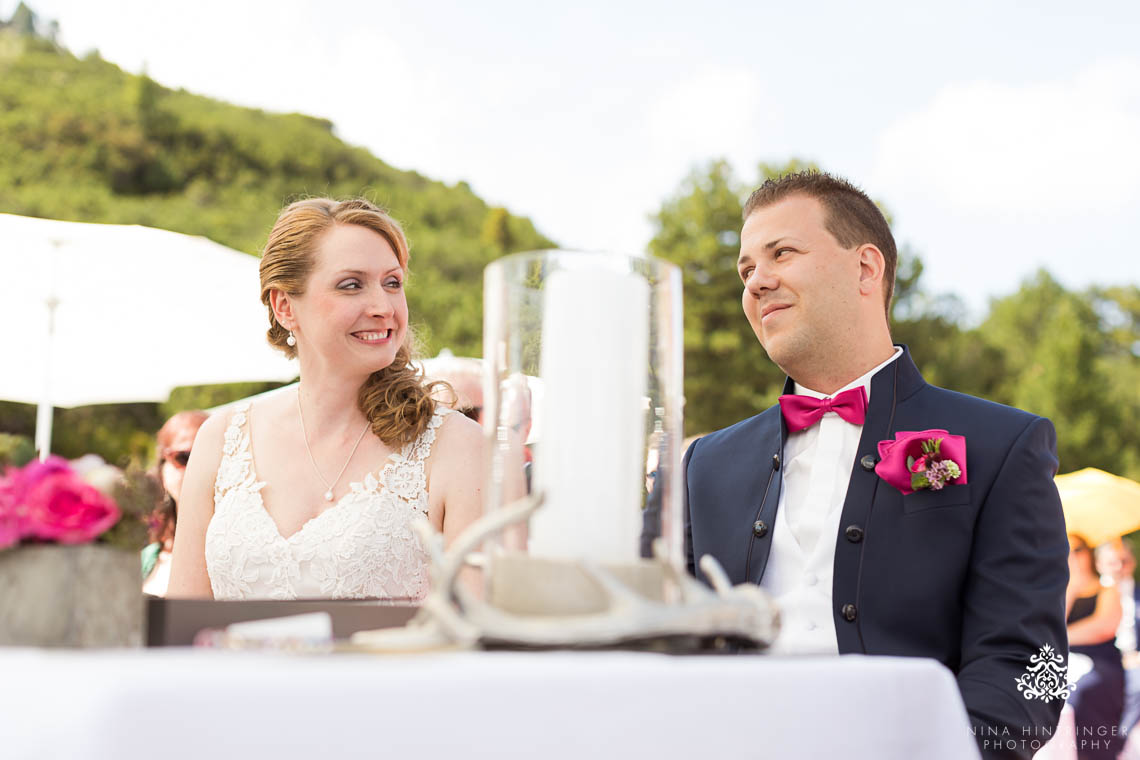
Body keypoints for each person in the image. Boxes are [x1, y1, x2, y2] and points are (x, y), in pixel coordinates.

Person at [682, 172, 1068, 759]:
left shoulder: (1001, 444)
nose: (757, 281)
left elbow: (1033, 667)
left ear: (866, 268)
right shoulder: (702, 465)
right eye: (745, 269)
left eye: (781, 252)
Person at [168, 198, 484, 600]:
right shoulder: (220, 439)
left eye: (393, 283)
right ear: (285, 306)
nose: (383, 307)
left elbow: (476, 631)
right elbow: (180, 624)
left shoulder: (457, 446)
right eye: (351, 285)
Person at [1067, 534, 1125, 758]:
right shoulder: (1059, 593)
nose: (1072, 556)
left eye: (1078, 550)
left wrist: (1062, 637)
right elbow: (1049, 629)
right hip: (1066, 663)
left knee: (1083, 691)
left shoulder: (1106, 590)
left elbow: (1103, 628)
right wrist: (1071, 588)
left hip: (1101, 663)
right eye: (1066, 549)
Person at [142, 410, 208, 596]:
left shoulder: (237, 550)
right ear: (162, 465)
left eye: (208, 456)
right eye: (185, 457)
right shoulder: (146, 557)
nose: (200, 467)